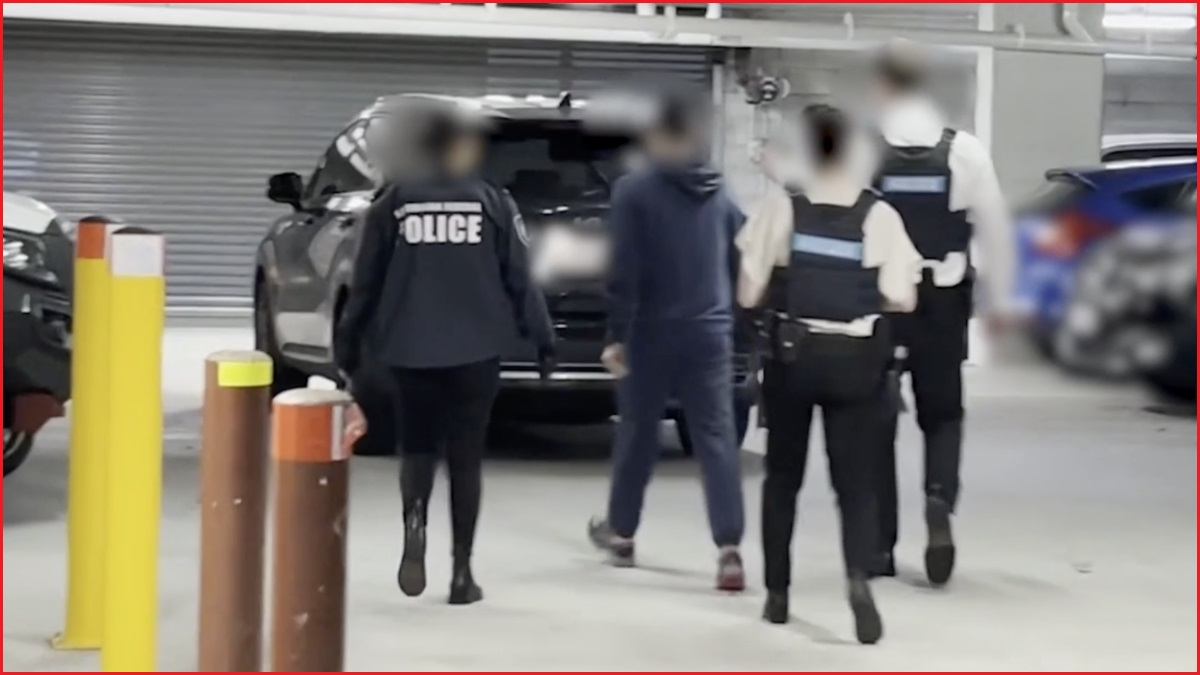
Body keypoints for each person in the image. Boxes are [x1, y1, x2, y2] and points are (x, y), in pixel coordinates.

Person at [335, 102, 557, 606]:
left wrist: (347, 347)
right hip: (476, 351)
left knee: (416, 447)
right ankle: (462, 572)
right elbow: (520, 278)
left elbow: (365, 283)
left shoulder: (394, 203)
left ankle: (415, 521)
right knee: (465, 459)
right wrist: (542, 339)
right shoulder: (492, 201)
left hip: (409, 350)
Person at [736, 104, 922, 645]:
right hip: (856, 363)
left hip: (793, 359)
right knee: (854, 484)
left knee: (783, 480)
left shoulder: (781, 209)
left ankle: (777, 594)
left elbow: (747, 293)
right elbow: (903, 297)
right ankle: (858, 583)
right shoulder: (879, 215)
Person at [586, 92, 748, 591]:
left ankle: (623, 532)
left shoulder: (635, 191)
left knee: (637, 433)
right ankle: (729, 550)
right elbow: (738, 260)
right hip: (710, 333)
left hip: (650, 333)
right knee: (716, 439)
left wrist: (616, 335)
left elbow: (626, 270)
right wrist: (734, 324)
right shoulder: (721, 192)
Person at [867, 40, 1015, 585]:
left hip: (882, 300)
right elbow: (994, 231)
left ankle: (878, 546)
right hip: (943, 297)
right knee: (943, 414)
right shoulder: (966, 151)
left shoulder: (867, 149)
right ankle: (937, 502)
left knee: (875, 420)